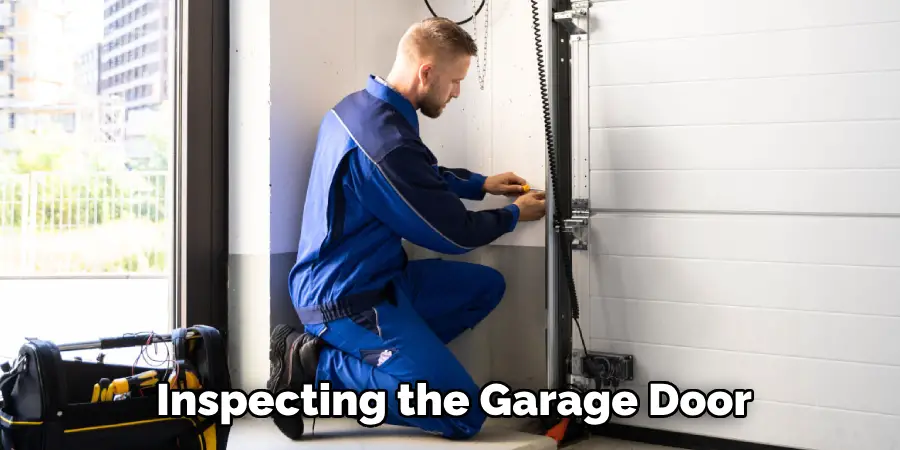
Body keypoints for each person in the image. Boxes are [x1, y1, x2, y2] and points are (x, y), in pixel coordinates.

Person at [267, 17, 547, 441]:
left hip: (381, 280)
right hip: (344, 301)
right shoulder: (384, 144)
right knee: (463, 412)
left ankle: (395, 366)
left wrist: (480, 184)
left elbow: (418, 175)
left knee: (485, 286)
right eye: (455, 81)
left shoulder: (359, 109)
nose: (457, 92)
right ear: (427, 72)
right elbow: (453, 234)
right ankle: (315, 363)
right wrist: (512, 215)